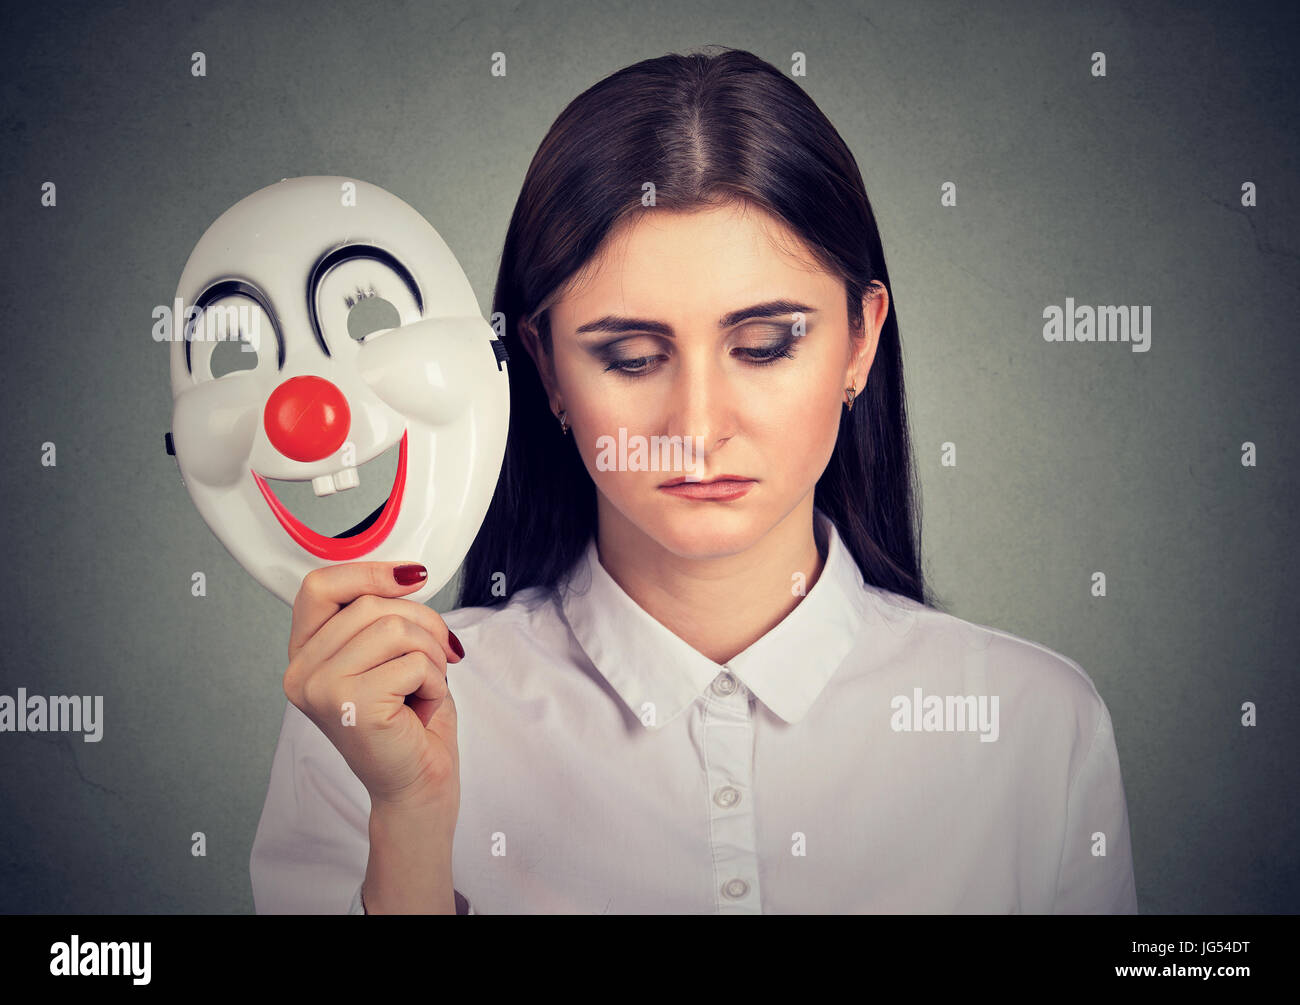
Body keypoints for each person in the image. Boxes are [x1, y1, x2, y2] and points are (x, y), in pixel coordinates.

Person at [250, 46, 1138, 914]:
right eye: (632, 358)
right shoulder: (375, 721)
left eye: (764, 346)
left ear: (860, 340)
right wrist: (410, 824)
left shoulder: (1035, 727)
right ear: (547, 369)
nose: (699, 427)